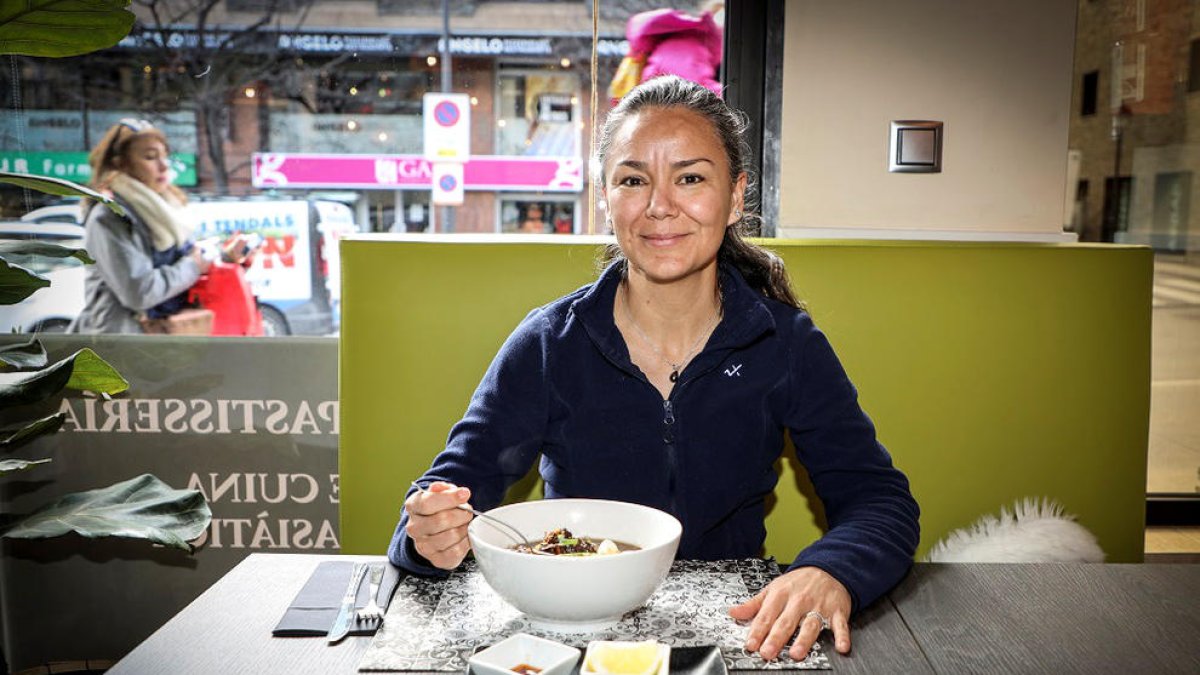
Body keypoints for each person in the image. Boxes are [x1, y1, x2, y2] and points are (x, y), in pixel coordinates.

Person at [390, 76, 920, 663]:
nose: (660, 206)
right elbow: (444, 497)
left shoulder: (784, 342)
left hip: (732, 635)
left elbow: (879, 500)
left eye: (690, 178)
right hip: (569, 640)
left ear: (736, 194)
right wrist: (429, 534)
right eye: (633, 180)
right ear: (606, 197)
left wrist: (831, 571)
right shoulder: (549, 343)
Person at [72, 119, 246, 333]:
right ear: (121, 164)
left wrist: (223, 258)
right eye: (150, 157)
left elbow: (183, 264)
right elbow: (139, 292)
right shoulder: (110, 216)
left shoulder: (165, 209)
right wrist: (192, 266)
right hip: (122, 346)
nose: (164, 165)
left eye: (164, 156)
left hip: (162, 340)